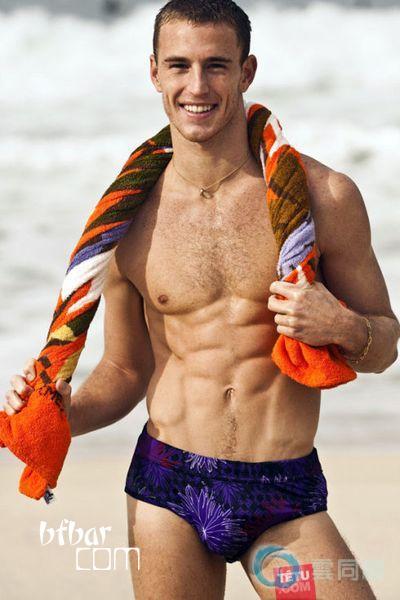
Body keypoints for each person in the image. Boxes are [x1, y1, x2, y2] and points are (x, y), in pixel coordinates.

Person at [4, 1, 399, 598]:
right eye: (179, 65)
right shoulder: (127, 219)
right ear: (154, 73)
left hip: (283, 492)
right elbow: (125, 371)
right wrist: (63, 414)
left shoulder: (326, 198)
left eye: (216, 65)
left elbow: (384, 346)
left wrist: (342, 326)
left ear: (246, 71)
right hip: (169, 486)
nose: (197, 86)